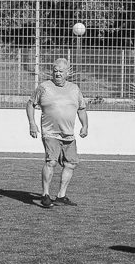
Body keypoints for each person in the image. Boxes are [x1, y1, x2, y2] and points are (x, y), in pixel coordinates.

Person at [26, 58, 88, 208]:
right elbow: (30, 104)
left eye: (61, 71)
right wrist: (32, 124)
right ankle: (45, 195)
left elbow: (81, 109)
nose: (57, 74)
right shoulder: (44, 87)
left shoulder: (74, 89)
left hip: (68, 134)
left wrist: (85, 126)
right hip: (50, 133)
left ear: (68, 72)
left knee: (71, 164)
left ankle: (61, 195)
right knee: (51, 162)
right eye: (55, 71)